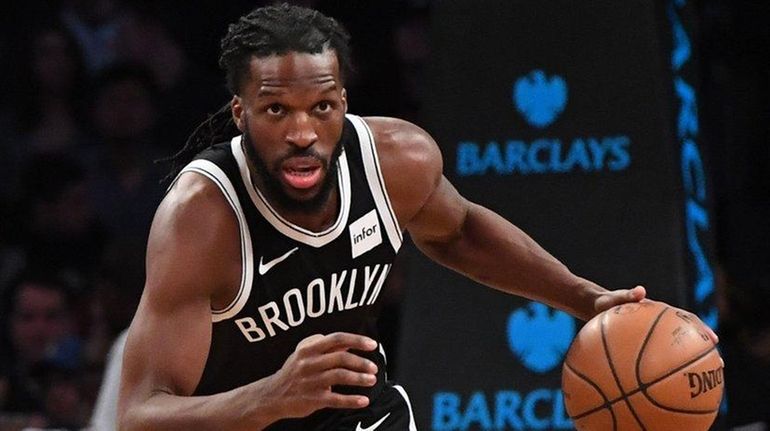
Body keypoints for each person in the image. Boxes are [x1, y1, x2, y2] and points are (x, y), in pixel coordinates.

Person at [117, 4, 656, 430]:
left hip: (361, 420)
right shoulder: (202, 219)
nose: (303, 133)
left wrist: (583, 298)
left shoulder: (395, 160)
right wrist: (270, 398)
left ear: (344, 102)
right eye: (277, 110)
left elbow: (461, 231)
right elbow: (140, 416)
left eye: (322, 107)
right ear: (241, 113)